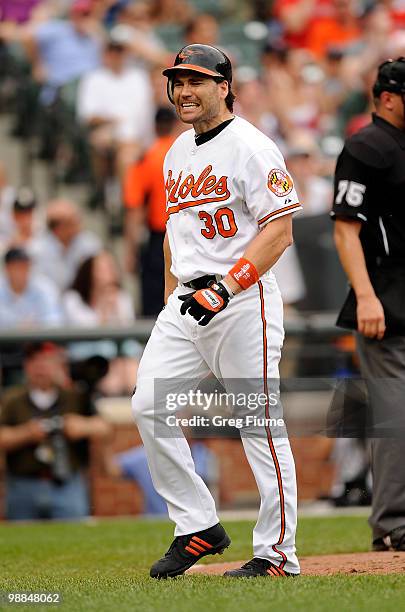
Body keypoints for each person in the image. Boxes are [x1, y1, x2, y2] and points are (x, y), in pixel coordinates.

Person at [131, 44, 302, 579]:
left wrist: (227, 287)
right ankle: (197, 526)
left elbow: (279, 231)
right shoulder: (176, 150)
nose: (184, 90)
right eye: (178, 81)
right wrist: (169, 293)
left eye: (197, 81)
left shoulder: (252, 146)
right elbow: (172, 235)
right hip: (186, 300)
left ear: (224, 87)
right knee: (147, 406)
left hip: (242, 300)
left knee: (259, 425)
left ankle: (277, 554)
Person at [332, 57, 405, 551]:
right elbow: (345, 227)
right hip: (386, 298)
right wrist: (364, 295)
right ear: (387, 97)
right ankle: (394, 525)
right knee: (396, 418)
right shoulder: (367, 145)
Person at [0, 342, 110, 520]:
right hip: (23, 484)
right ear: (26, 367)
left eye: (47, 362)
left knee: (74, 540)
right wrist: (26, 433)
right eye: (35, 362)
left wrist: (81, 426)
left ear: (59, 366)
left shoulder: (75, 396)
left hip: (67, 484)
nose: (41, 368)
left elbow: (104, 428)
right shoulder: (13, 399)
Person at [123, 107, 179, 315]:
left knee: (155, 306)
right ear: (174, 125)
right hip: (188, 234)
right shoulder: (185, 154)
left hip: (159, 239)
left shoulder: (147, 157)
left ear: (155, 127)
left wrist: (130, 249)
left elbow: (135, 208)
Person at [35, 199, 102, 291]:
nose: (78, 225)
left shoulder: (89, 243)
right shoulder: (38, 249)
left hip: (82, 299)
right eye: (71, 222)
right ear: (58, 228)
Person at [0, 247, 62, 328]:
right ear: (7, 268)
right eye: (16, 267)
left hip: (38, 339)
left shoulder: (44, 287)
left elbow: (53, 321)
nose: (20, 272)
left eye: (24, 267)